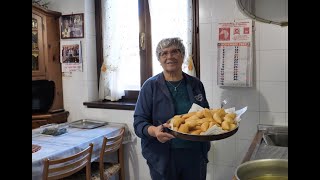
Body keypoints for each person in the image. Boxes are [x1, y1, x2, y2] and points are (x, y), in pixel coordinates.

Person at [133, 37, 211, 180]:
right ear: (159, 59)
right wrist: (155, 131)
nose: (169, 57)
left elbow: (206, 115)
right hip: (163, 156)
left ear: (182, 56)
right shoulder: (150, 86)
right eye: (164, 53)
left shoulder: (195, 84)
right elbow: (139, 123)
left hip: (194, 155)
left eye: (174, 52)